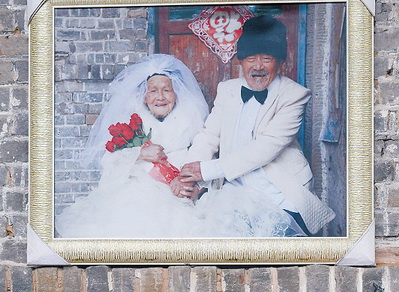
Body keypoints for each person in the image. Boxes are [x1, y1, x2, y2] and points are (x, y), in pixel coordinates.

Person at [179, 15, 336, 237]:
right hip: (234, 189)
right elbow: (209, 136)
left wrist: (205, 170)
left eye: (267, 58)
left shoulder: (294, 95)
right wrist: (188, 175)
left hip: (278, 190)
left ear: (281, 62)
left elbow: (266, 147)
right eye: (251, 58)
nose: (258, 66)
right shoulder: (228, 89)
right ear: (241, 61)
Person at [55, 54, 209, 239]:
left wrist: (195, 187)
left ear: (176, 94)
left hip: (179, 192)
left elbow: (204, 158)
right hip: (138, 190)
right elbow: (109, 161)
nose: (160, 97)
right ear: (144, 97)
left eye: (167, 90)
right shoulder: (132, 123)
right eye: (153, 91)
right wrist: (140, 153)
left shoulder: (192, 121)